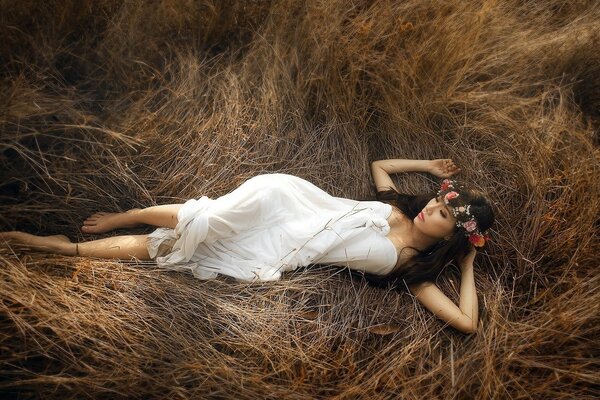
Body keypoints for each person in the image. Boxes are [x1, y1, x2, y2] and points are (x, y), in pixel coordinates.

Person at [0, 158, 494, 334]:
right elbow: (381, 167)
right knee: (207, 216)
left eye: (444, 214)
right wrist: (428, 169)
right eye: (438, 200)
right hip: (289, 199)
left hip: (283, 248)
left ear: (453, 234)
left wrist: (468, 265)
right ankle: (128, 215)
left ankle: (65, 250)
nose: (432, 208)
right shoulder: (404, 207)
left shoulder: (415, 271)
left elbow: (467, 324)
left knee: (181, 248)